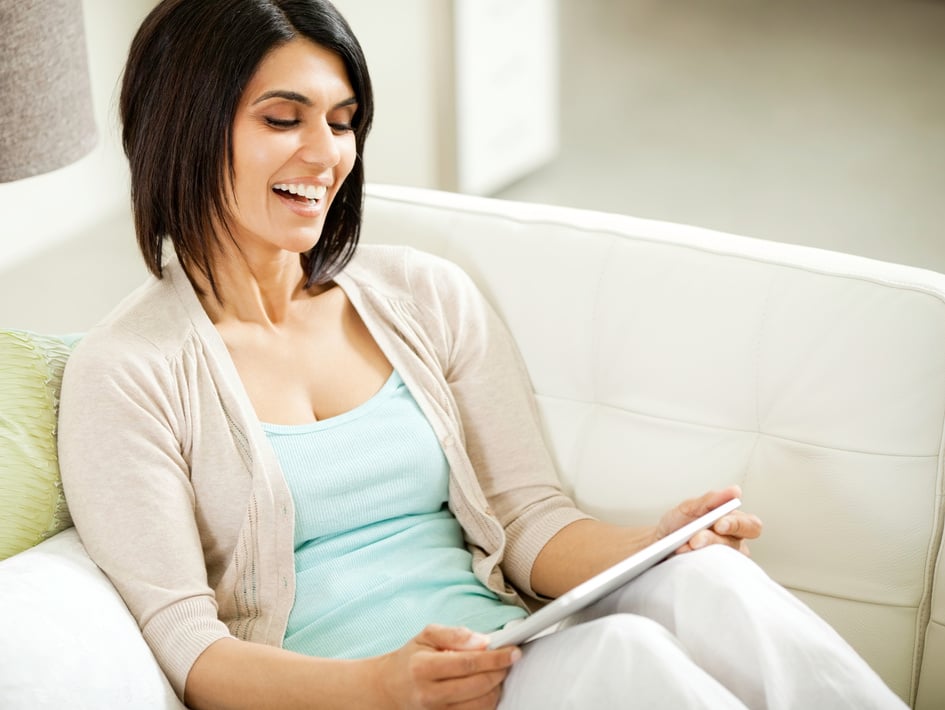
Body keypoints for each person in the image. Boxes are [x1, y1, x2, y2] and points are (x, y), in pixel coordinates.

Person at [57, 1, 906, 708]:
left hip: (506, 657)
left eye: (343, 123)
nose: (326, 155)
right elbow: (188, 647)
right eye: (283, 119)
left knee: (709, 583)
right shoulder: (126, 372)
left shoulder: (424, 295)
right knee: (623, 662)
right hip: (359, 697)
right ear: (184, 126)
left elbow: (531, 523)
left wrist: (656, 543)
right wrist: (379, 687)